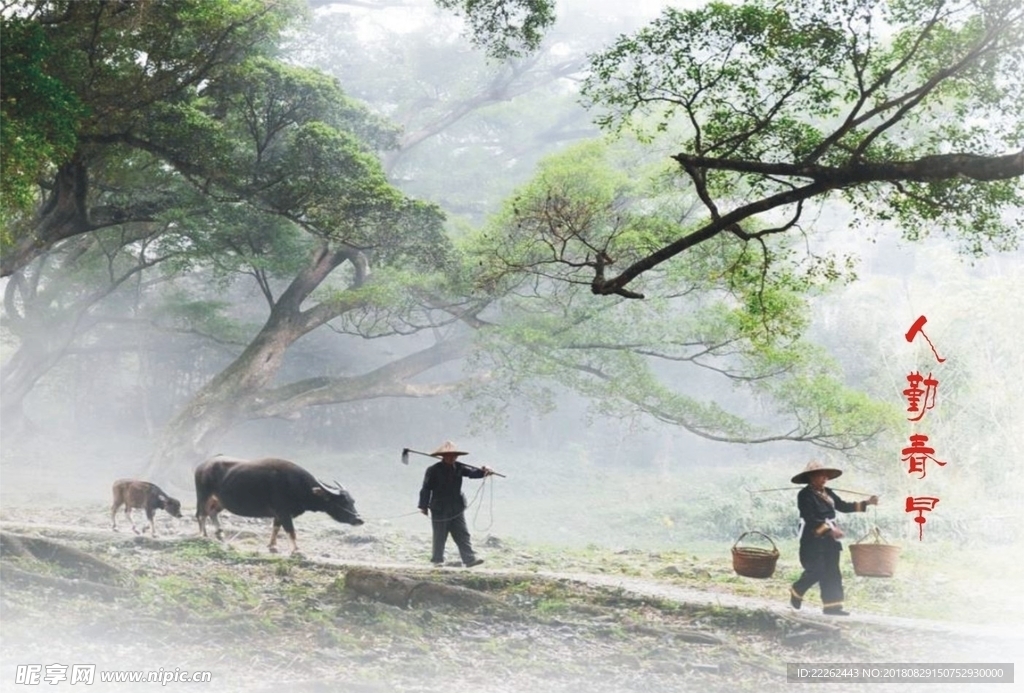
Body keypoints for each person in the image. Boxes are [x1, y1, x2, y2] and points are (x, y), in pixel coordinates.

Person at [789, 461, 879, 616]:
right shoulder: (804, 495)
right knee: (817, 569)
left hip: (831, 537)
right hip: (813, 535)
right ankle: (797, 590)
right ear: (811, 477)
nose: (824, 478)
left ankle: (832, 607)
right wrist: (830, 530)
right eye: (819, 475)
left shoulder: (828, 492)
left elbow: (843, 506)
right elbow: (810, 518)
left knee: (832, 571)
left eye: (825, 476)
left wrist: (867, 503)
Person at [417, 441, 494, 567]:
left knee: (462, 533)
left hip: (456, 506)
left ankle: (469, 560)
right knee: (440, 534)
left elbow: (472, 473)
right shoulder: (433, 470)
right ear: (443, 456)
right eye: (449, 455)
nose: (452, 458)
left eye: (454, 455)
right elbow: (426, 488)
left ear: (457, 456)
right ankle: (437, 560)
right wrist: (423, 506)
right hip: (440, 507)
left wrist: (484, 471)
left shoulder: (459, 467)